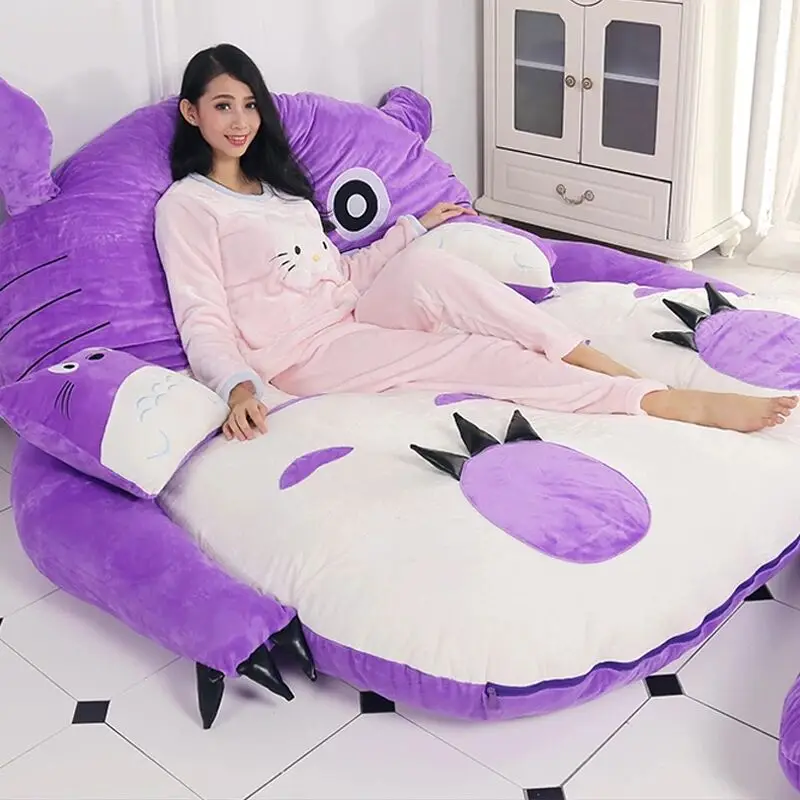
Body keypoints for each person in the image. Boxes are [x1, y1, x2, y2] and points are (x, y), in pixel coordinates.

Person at [154, 43, 797, 442]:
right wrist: (238, 385)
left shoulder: (282, 193)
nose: (239, 121)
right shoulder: (187, 206)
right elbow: (201, 314)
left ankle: (594, 359)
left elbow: (340, 274)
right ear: (192, 112)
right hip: (300, 356)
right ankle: (654, 400)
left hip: (349, 312)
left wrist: (416, 228)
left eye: (249, 105)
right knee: (473, 354)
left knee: (437, 271)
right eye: (222, 106)